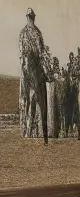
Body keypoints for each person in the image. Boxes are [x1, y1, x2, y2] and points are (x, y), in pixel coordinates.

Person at [18, 9, 48, 144]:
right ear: (28, 17)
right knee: (25, 97)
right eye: (30, 17)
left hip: (35, 64)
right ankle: (26, 130)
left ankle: (36, 129)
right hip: (27, 63)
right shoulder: (24, 32)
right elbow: (21, 52)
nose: (31, 19)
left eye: (32, 17)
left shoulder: (37, 32)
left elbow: (41, 51)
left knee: (40, 90)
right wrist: (24, 64)